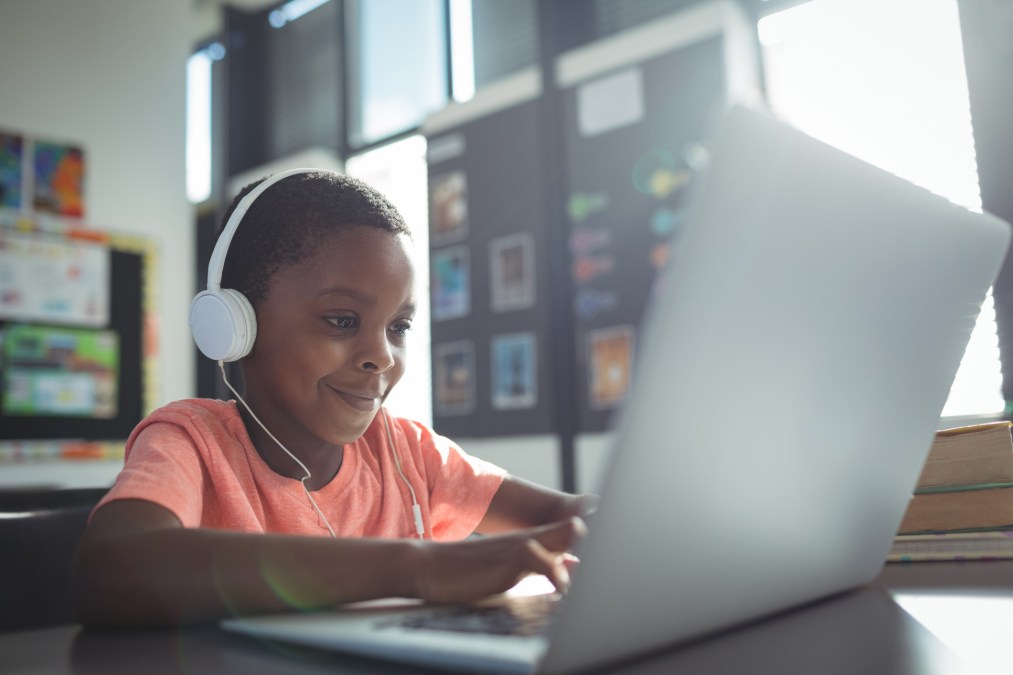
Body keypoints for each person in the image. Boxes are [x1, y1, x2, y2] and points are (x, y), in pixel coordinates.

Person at [73, 170, 596, 628]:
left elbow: (565, 518)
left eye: (399, 327)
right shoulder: (192, 442)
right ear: (236, 325)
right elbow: (112, 568)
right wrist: (420, 567)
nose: (383, 357)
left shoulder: (406, 453)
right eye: (343, 321)